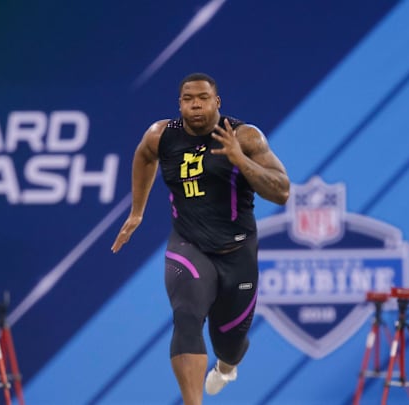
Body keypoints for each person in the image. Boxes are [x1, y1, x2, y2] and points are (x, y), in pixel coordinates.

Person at [111, 72, 290, 405]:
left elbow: (282, 192)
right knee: (186, 316)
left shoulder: (246, 136)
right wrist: (137, 211)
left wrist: (239, 159)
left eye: (202, 98)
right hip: (188, 247)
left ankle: (226, 367)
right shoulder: (161, 135)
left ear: (217, 102)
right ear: (179, 103)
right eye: (187, 99)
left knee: (230, 345)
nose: (195, 105)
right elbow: (143, 157)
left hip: (237, 253)